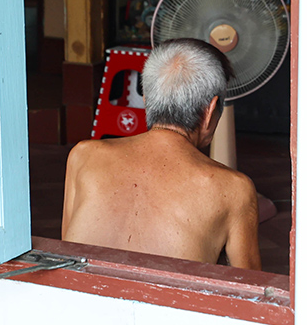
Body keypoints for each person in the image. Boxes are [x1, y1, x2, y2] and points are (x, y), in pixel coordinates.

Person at [62, 38, 261, 270]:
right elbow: (249, 290)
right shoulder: (234, 189)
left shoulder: (83, 156)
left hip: (78, 303)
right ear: (209, 111)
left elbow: (66, 258)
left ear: (146, 101)